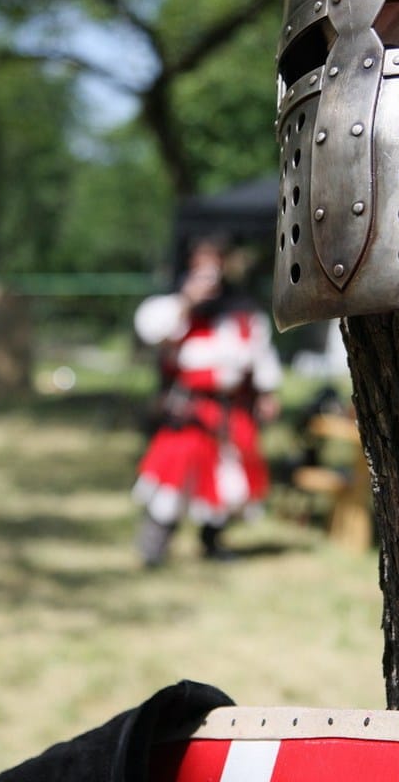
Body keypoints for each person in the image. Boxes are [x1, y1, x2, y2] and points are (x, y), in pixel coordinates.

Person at [131, 236, 282, 565]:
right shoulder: (175, 309)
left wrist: (267, 392)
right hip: (189, 410)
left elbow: (260, 354)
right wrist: (187, 301)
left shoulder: (242, 311)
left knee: (228, 479)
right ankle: (153, 547)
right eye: (202, 264)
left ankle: (212, 542)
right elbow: (153, 333)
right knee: (172, 482)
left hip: (230, 409)